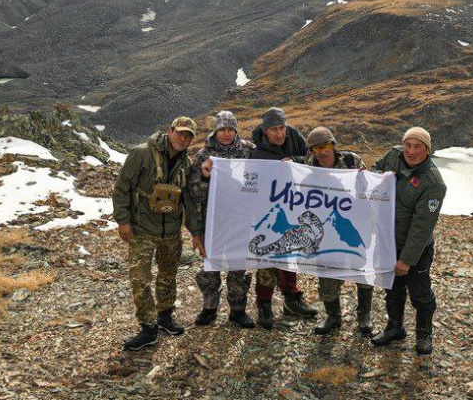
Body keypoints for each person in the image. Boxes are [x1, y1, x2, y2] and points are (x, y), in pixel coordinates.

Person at [112, 117, 205, 351]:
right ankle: (148, 328)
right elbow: (121, 188)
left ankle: (164, 316)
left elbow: (189, 202)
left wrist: (195, 232)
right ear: (170, 131)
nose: (183, 139)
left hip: (171, 231)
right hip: (142, 229)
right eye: (180, 133)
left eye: (188, 136)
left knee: (167, 276)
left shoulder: (187, 164)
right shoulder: (141, 154)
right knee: (140, 280)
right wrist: (123, 221)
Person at [369, 127, 446, 356]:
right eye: (408, 145)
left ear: (427, 150)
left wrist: (406, 260)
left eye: (418, 146)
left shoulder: (433, 183)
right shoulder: (393, 155)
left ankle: (424, 334)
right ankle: (395, 328)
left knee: (420, 294)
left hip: (415, 249)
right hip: (388, 241)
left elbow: (422, 228)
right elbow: (374, 169)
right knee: (392, 289)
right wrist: (379, 177)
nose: (411, 151)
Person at [249, 107, 318, 327]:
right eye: (273, 130)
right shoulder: (257, 152)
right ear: (265, 130)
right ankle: (264, 305)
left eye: (282, 128)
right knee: (268, 258)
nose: (279, 134)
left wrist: (295, 160)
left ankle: (291, 299)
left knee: (290, 254)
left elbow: (312, 158)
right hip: (268, 214)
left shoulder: (295, 138)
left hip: (294, 208)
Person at [188, 110, 256, 328]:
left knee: (238, 266)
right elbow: (194, 193)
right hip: (213, 222)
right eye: (222, 130)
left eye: (230, 129)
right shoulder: (203, 155)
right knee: (211, 266)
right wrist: (206, 178)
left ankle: (238, 310)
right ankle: (209, 308)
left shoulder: (248, 150)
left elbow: (266, 173)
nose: (226, 134)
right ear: (215, 131)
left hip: (241, 221)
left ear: (236, 130)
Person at [304, 126, 374, 336]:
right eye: (316, 148)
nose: (322, 152)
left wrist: (364, 180)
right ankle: (333, 316)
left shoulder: (352, 161)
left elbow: (369, 191)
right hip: (327, 234)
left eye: (325, 146)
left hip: (356, 229)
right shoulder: (309, 170)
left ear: (333, 145)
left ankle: (364, 316)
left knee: (362, 274)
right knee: (327, 276)